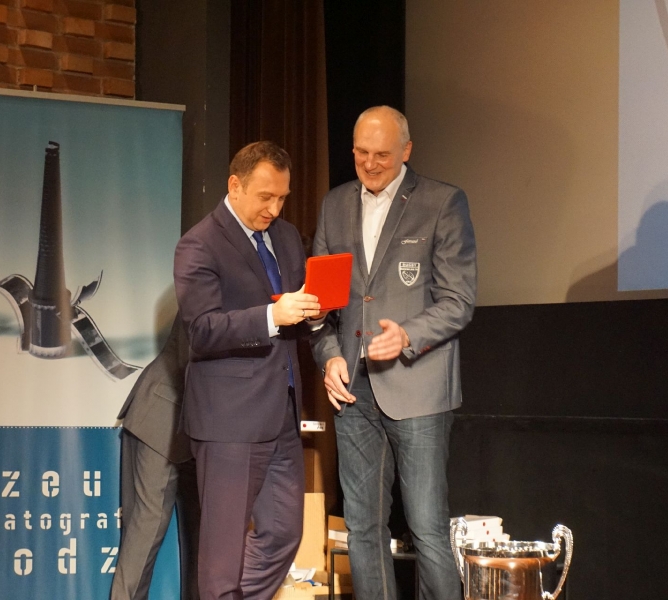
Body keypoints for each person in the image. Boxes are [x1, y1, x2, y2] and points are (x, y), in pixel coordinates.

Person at [311, 105, 477, 600]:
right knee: (362, 527)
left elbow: (458, 300)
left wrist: (406, 335)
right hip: (353, 390)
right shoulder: (335, 204)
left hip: (417, 386)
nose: (370, 163)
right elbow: (320, 303)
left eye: (382, 154)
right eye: (361, 153)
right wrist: (328, 355)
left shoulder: (442, 202)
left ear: (406, 150)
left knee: (427, 527)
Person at [173, 141, 322, 600]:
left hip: (282, 413)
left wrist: (313, 314)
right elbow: (202, 330)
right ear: (234, 186)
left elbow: (294, 313)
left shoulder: (287, 237)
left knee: (284, 534)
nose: (274, 209)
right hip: (229, 421)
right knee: (223, 558)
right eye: (265, 197)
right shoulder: (199, 244)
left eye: (282, 198)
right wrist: (272, 317)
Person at [111, 316, 200, 600]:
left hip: (195, 429)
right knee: (146, 528)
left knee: (205, 538)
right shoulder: (210, 290)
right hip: (163, 415)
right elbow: (195, 363)